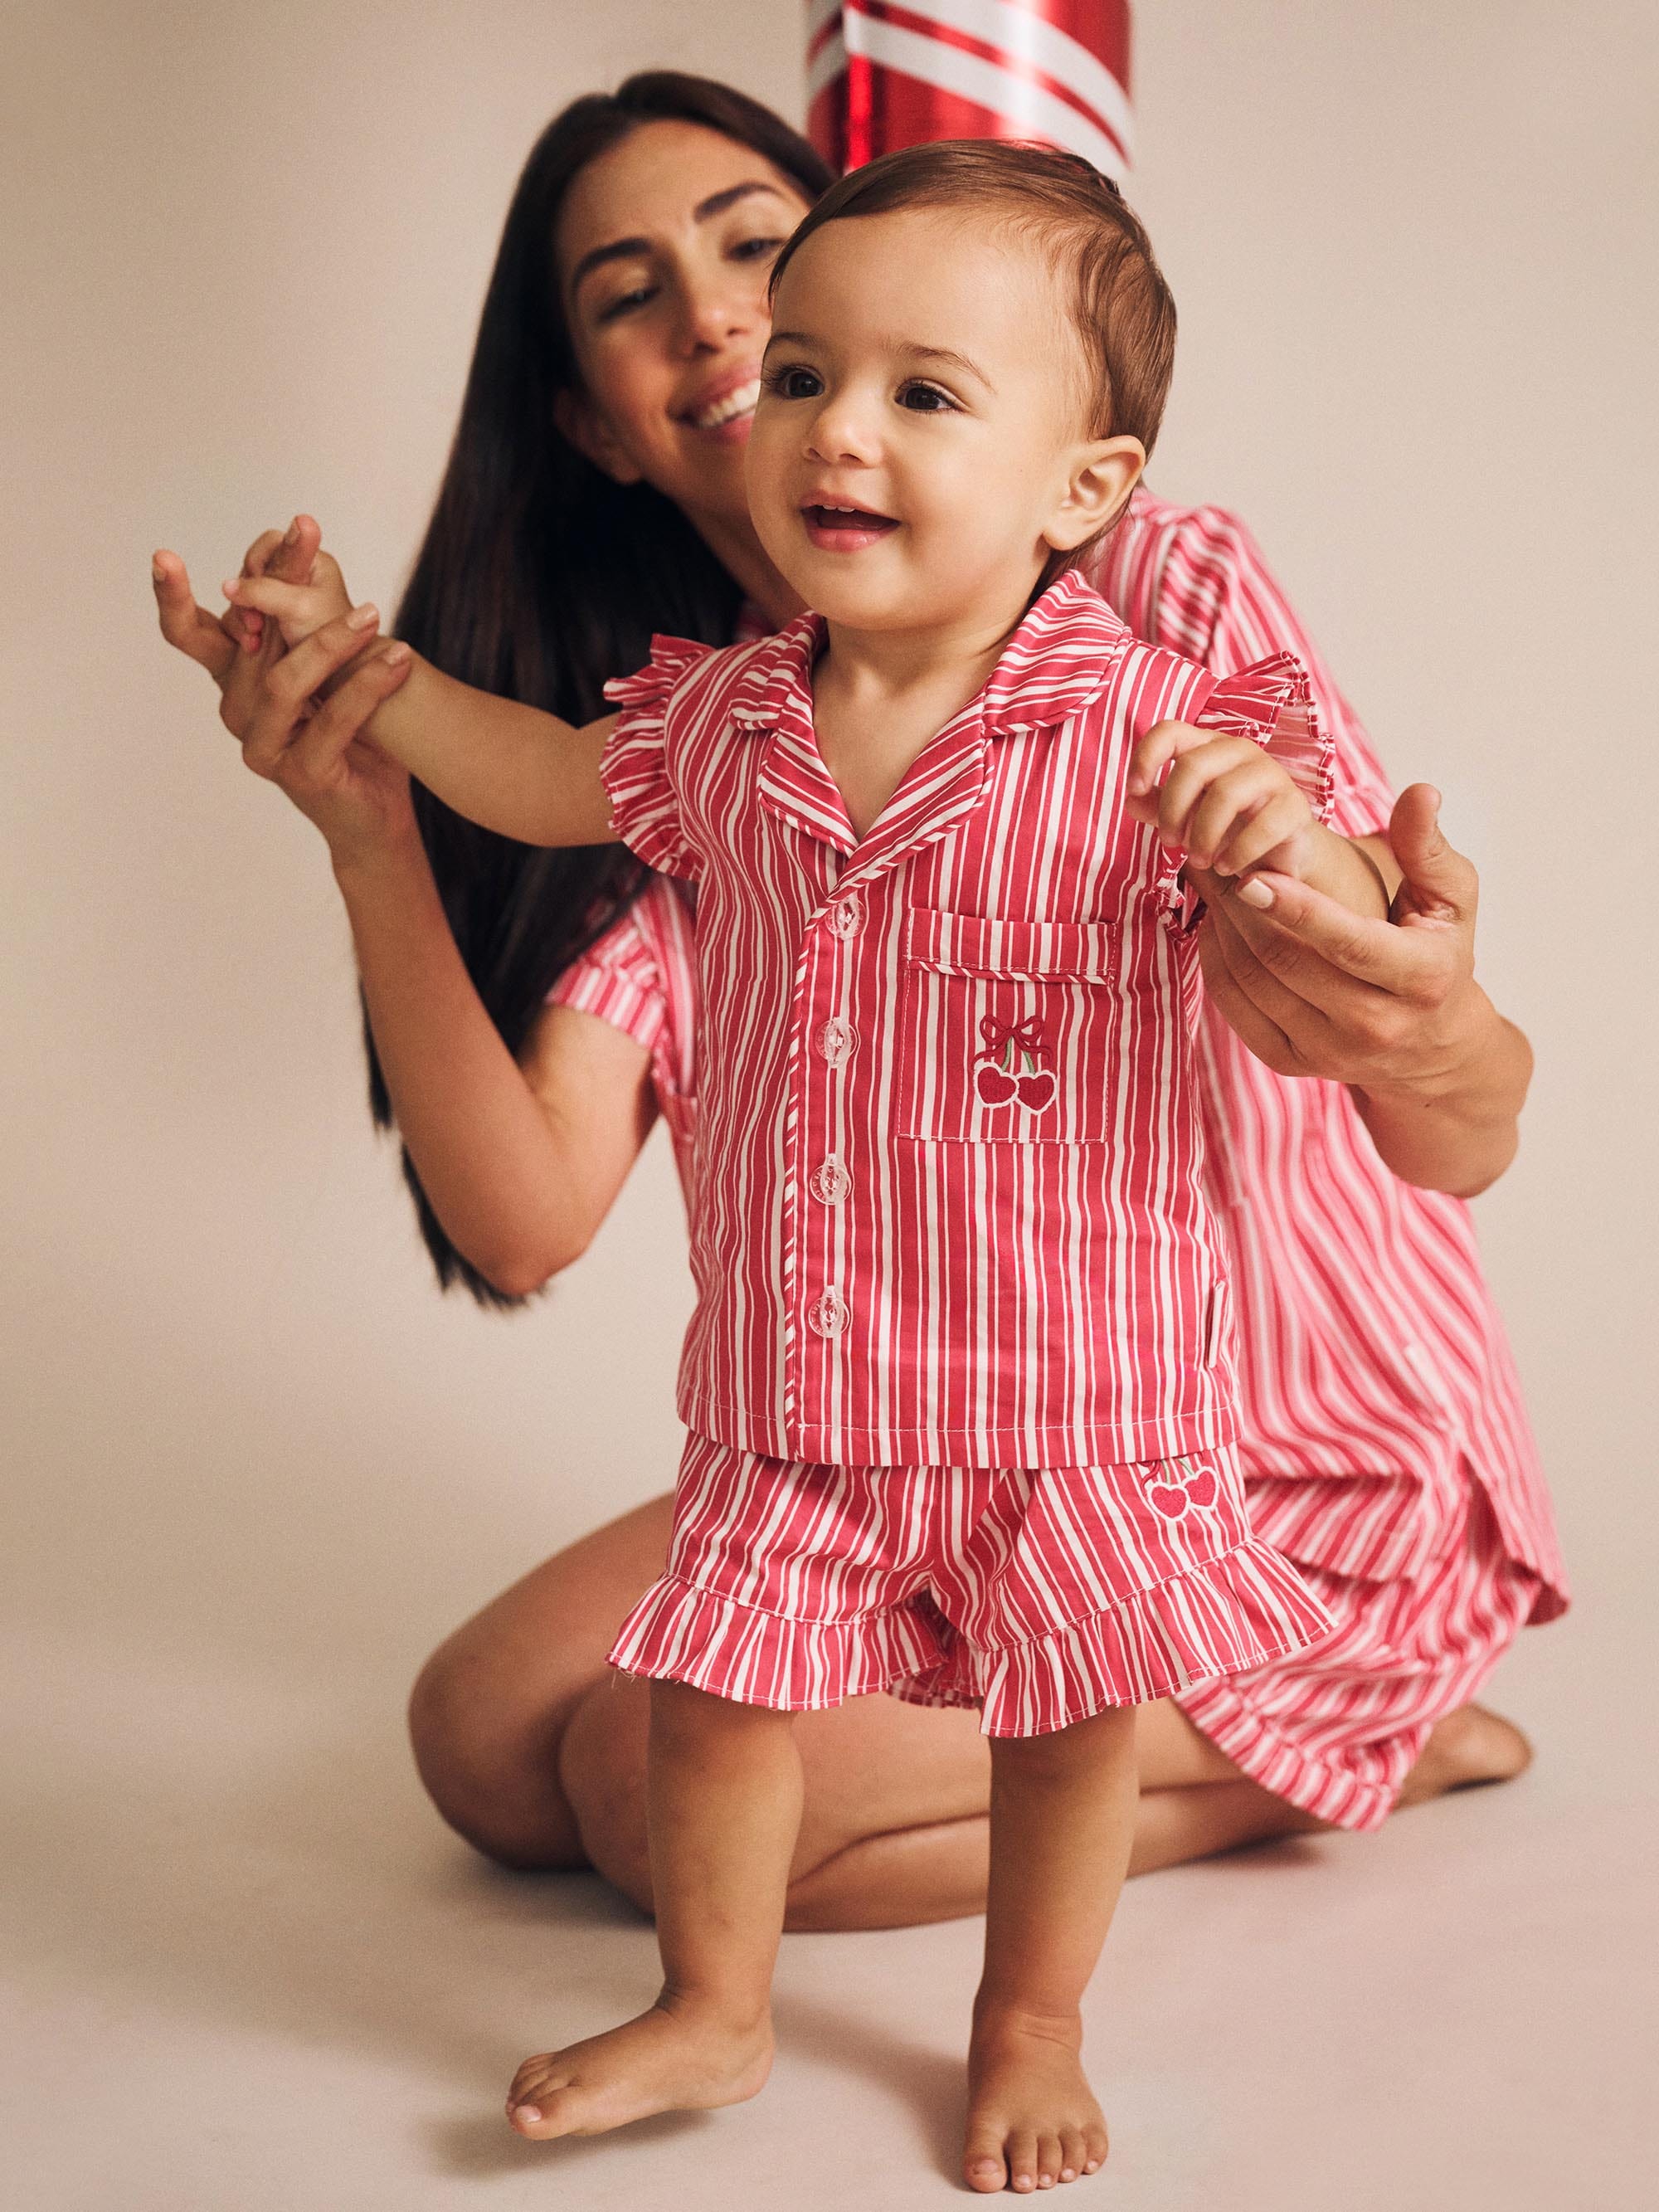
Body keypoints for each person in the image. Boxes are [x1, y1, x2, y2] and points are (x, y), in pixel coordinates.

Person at [153, 61, 1564, 2153]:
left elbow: (1361, 935)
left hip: (1159, 1408)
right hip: (841, 1380)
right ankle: (713, 2008)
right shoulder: (719, 727)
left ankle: (1210, 1851)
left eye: (757, 252)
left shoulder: (1143, 659)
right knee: (513, 1740)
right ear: (593, 418)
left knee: (933, 1733)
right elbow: (539, 883)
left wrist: (1331, 879)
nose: (754, 355)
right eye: (663, 307)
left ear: (1073, 473)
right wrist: (361, 728)